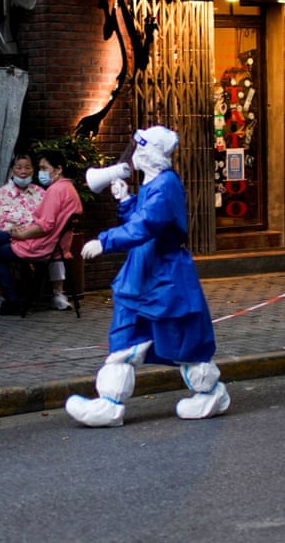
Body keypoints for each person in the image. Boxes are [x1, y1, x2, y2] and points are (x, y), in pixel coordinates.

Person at [66, 126, 229, 427]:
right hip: (144, 271)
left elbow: (147, 226)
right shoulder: (155, 183)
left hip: (163, 275)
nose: (136, 155)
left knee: (181, 338)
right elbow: (141, 221)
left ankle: (210, 391)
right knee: (124, 337)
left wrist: (105, 240)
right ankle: (109, 403)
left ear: (154, 153)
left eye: (142, 149)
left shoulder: (166, 185)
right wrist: (127, 201)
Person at [0, 149, 81, 315]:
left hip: (42, 242)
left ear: (58, 169)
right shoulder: (67, 188)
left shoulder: (53, 191)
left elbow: (44, 225)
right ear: (12, 170)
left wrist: (22, 234)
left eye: (43, 168)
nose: (40, 173)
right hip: (44, 239)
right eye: (40, 169)